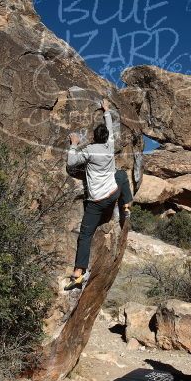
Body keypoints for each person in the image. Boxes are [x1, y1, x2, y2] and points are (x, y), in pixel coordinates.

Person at [64, 99, 120, 291]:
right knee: (119, 177)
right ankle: (119, 209)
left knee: (85, 235)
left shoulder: (90, 150)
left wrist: (74, 144)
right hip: (113, 195)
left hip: (96, 201)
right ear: (106, 137)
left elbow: (71, 163)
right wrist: (107, 111)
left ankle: (78, 273)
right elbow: (110, 128)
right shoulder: (110, 146)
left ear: (94, 137)